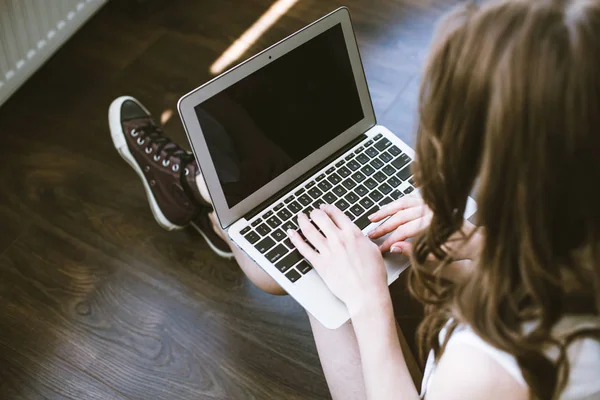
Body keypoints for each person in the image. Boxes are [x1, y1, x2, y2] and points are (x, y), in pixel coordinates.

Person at [108, 0, 600, 398]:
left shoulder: (484, 372)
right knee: (309, 248)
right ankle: (205, 192)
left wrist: (367, 304)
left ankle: (198, 188)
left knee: (313, 276)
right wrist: (484, 245)